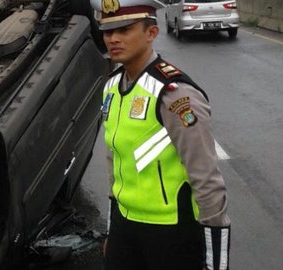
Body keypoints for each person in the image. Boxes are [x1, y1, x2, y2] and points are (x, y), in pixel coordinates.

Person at [91, 0, 231, 269]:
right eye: (108, 32)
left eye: (125, 29)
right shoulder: (110, 87)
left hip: (171, 234)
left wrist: (216, 263)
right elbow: (116, 166)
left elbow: (207, 180)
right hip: (125, 228)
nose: (113, 39)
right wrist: (113, 231)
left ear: (151, 33)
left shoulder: (174, 93)